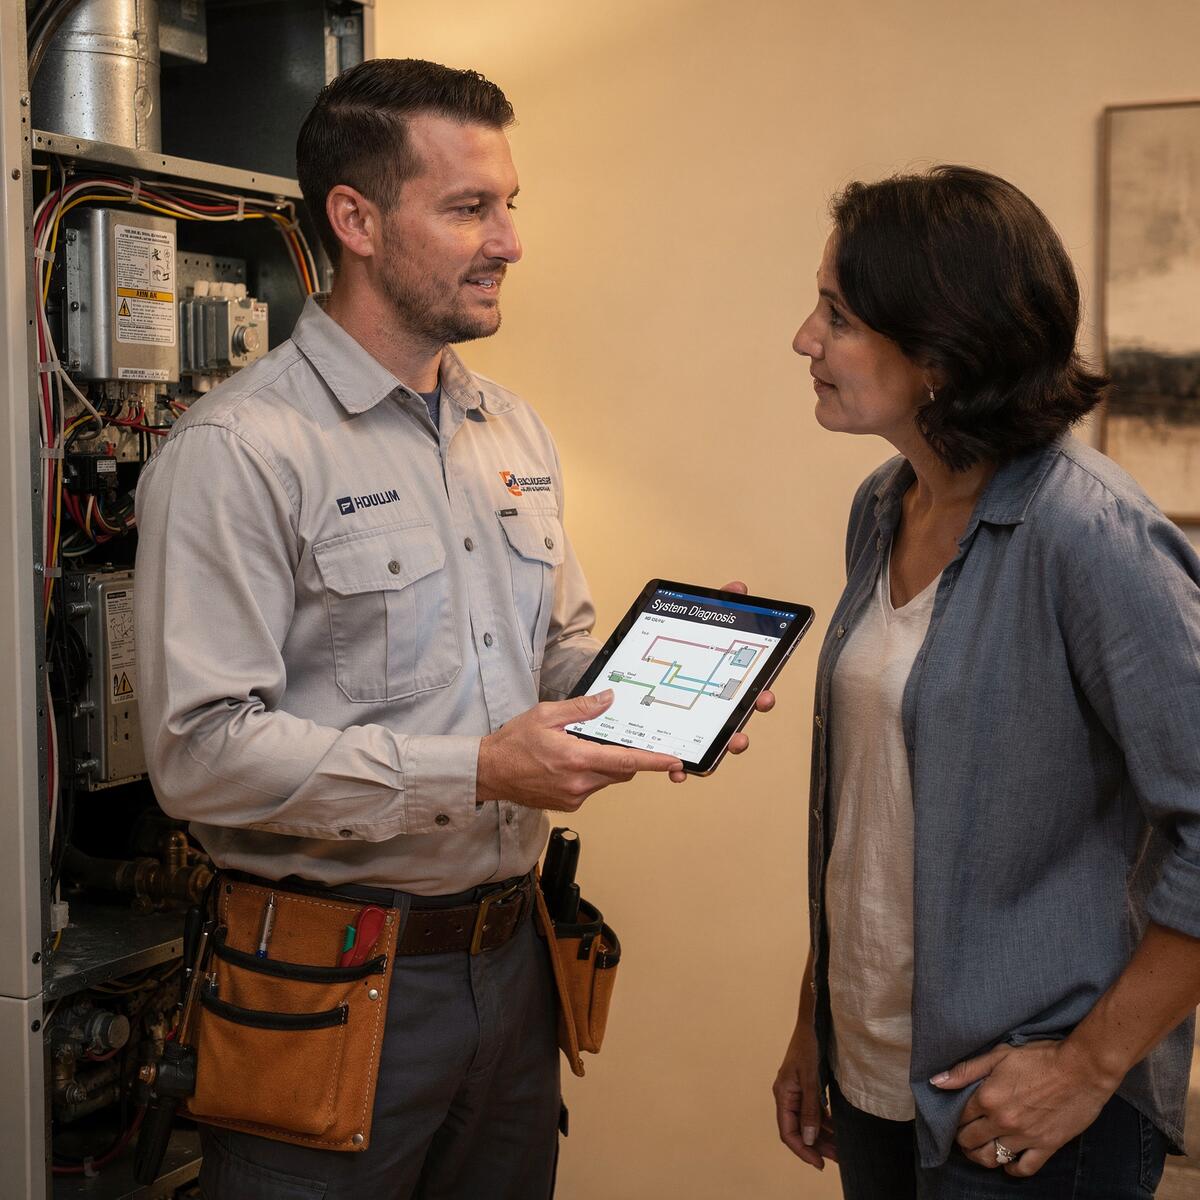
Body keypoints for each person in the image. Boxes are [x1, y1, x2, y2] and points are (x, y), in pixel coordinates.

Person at [134, 58, 768, 1199]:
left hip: (509, 967)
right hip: (321, 988)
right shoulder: (239, 452)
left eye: (509, 204)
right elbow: (198, 752)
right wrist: (477, 769)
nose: (510, 240)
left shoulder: (507, 429)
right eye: (471, 208)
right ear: (357, 220)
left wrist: (657, 687)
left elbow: (555, 655)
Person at [771, 165, 1200, 1199]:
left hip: (1025, 1109)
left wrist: (1090, 1067)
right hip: (873, 1077)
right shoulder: (885, 504)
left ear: (940, 353)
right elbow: (878, 811)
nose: (804, 338)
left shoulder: (1090, 533)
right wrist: (815, 1020)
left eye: (837, 313)